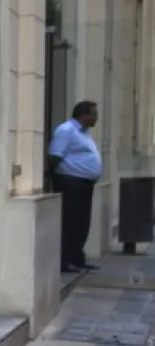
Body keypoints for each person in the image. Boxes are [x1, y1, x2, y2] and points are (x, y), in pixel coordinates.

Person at [48, 100, 102, 273]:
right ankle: (65, 261)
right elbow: (54, 155)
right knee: (69, 223)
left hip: (84, 184)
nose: (96, 118)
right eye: (94, 114)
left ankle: (77, 258)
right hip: (70, 182)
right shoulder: (67, 130)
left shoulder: (84, 133)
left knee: (82, 224)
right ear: (83, 115)